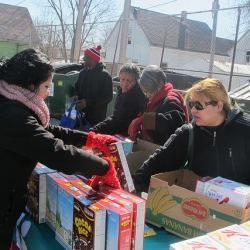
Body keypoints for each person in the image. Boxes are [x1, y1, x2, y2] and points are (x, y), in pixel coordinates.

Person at [0, 48, 120, 250]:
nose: (49, 92)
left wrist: (90, 139)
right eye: (46, 85)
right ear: (30, 84)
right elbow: (56, 152)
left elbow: (47, 130)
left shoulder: (12, 100)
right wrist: (104, 167)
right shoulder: (11, 115)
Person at [132, 78, 250, 193]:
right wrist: (133, 185)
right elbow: (159, 162)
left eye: (199, 106)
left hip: (240, 209)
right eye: (191, 104)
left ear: (219, 106)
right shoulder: (189, 133)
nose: (193, 110)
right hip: (198, 207)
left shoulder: (245, 129)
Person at [128, 65, 189, 146]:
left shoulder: (172, 100)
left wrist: (144, 119)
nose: (148, 95)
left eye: (150, 91)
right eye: (145, 92)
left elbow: (174, 123)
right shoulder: (154, 99)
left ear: (160, 83)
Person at [90, 63, 147, 137]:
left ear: (136, 81)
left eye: (129, 81)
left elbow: (117, 119)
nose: (125, 84)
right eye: (123, 79)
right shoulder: (122, 92)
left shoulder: (137, 96)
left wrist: (96, 129)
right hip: (120, 133)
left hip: (129, 136)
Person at [72, 45, 113, 126]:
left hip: (96, 121)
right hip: (80, 117)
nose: (83, 59)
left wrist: (88, 103)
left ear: (92, 59)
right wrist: (76, 95)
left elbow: (107, 97)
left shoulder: (105, 76)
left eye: (85, 57)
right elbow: (77, 88)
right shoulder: (83, 73)